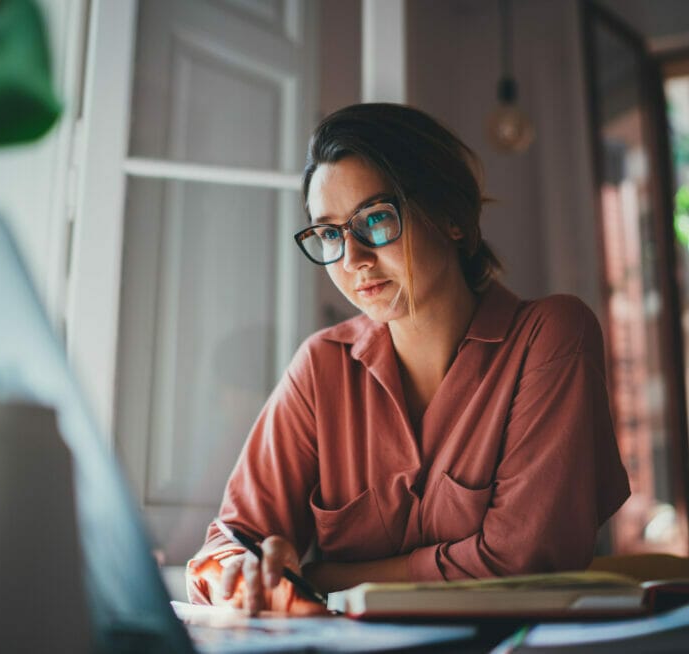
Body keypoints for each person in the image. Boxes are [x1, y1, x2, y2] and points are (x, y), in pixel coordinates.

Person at [186, 103, 630, 615]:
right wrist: (241, 570)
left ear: (452, 218)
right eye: (330, 233)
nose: (352, 260)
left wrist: (323, 578)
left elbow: (521, 560)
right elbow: (230, 541)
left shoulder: (551, 337)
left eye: (375, 219)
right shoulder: (321, 369)